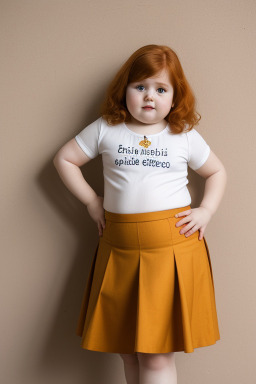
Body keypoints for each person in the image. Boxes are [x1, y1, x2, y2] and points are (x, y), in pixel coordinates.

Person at [53, 44, 227, 384]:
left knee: (156, 356)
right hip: (118, 252)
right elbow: (65, 159)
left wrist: (206, 210)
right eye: (141, 87)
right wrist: (91, 202)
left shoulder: (183, 135)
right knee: (128, 353)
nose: (150, 97)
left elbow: (217, 172)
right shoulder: (106, 127)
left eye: (161, 89)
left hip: (171, 253)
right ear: (125, 90)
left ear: (175, 98)